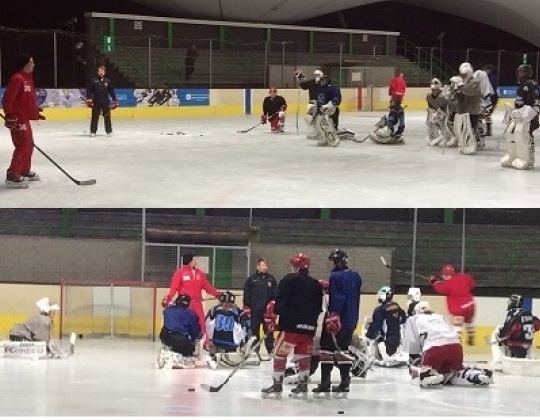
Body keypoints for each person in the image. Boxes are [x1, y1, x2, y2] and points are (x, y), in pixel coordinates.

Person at [261, 253, 323, 400]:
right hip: (308, 330)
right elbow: (318, 308)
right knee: (303, 357)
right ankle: (303, 385)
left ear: (295, 266)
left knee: (279, 355)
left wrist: (275, 319)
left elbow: (279, 302)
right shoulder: (316, 284)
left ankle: (277, 385)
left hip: (290, 328)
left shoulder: (288, 279)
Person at [403, 301, 493, 387]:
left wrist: (413, 362)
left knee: (416, 367)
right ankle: (474, 375)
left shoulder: (413, 319)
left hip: (434, 350)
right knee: (453, 372)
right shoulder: (440, 317)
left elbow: (412, 346)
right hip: (456, 348)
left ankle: (427, 374)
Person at [313, 249, 362, 399]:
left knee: (326, 350)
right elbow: (348, 292)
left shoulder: (335, 276)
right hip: (351, 319)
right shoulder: (356, 276)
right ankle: (345, 382)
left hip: (338, 319)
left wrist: (334, 315)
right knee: (344, 350)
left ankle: (325, 382)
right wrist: (330, 287)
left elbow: (339, 297)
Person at [2, 54, 45, 189]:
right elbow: (8, 99)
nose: (33, 65)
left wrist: (35, 113)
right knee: (22, 145)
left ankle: (24, 170)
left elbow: (26, 100)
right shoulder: (17, 78)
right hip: (17, 119)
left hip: (25, 118)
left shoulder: (28, 79)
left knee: (29, 144)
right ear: (24, 64)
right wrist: (9, 115)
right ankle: (12, 175)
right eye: (31, 62)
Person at [162, 252, 222, 339]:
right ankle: (184, 340)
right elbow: (174, 288)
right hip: (184, 305)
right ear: (189, 261)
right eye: (194, 259)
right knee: (184, 322)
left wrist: (218, 294)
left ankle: (204, 341)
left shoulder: (200, 274)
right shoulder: (180, 273)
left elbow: (207, 287)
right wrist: (168, 298)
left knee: (201, 323)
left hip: (197, 303)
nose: (196, 261)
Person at [501, 63, 540, 170]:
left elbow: (535, 102)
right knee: (512, 133)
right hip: (520, 114)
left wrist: (530, 114)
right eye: (518, 71)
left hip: (527, 115)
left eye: (522, 71)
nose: (519, 73)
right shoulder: (522, 84)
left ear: (528, 72)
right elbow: (520, 101)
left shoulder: (530, 84)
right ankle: (514, 156)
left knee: (525, 135)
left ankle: (528, 159)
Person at [428, 264, 476, 346]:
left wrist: (433, 281)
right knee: (469, 321)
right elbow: (472, 285)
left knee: (457, 324)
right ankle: (471, 336)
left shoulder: (447, 285)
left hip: (459, 308)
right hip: (470, 305)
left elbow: (440, 288)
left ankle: (458, 342)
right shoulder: (464, 277)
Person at [206, 291, 255, 369]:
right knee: (242, 329)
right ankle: (227, 355)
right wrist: (244, 343)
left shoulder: (213, 310)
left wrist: (210, 340)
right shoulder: (240, 313)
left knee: (211, 325)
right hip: (231, 344)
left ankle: (214, 355)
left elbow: (207, 325)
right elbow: (247, 327)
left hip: (216, 342)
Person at [491, 294, 540, 371]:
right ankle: (527, 359)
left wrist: (499, 336)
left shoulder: (513, 314)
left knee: (496, 334)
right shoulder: (528, 313)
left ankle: (498, 362)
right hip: (527, 348)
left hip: (515, 347)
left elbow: (506, 332)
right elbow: (537, 326)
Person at [243, 257, 277, 357]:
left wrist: (273, 307)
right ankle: (254, 351)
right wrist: (247, 307)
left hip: (268, 311)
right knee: (255, 331)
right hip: (255, 310)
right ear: (258, 266)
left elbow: (275, 294)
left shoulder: (271, 279)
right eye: (262, 265)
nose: (264, 267)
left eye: (266, 265)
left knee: (269, 332)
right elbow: (247, 294)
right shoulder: (251, 279)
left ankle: (270, 350)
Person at [365, 286, 407, 366]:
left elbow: (376, 326)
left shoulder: (379, 310)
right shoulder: (396, 306)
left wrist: (368, 335)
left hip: (385, 342)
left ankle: (374, 357)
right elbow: (403, 318)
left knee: (373, 337)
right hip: (397, 340)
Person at [158, 294, 202, 368]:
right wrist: (194, 340)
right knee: (189, 348)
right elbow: (195, 332)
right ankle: (180, 357)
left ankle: (168, 352)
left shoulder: (167, 311)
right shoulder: (192, 314)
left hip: (165, 337)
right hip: (181, 340)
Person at [449, 62, 483, 154]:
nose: (463, 76)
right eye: (462, 74)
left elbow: (470, 91)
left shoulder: (475, 82)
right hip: (461, 110)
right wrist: (453, 89)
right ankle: (464, 144)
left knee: (470, 129)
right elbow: (454, 97)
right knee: (462, 129)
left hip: (472, 110)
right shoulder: (462, 83)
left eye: (464, 74)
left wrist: (460, 85)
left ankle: (474, 144)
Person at [86, 65, 118, 137]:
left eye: (102, 71)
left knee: (107, 117)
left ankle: (109, 131)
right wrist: (89, 99)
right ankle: (93, 131)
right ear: (97, 72)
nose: (101, 73)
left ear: (104, 72)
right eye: (100, 71)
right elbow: (89, 91)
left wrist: (115, 99)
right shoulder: (93, 80)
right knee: (94, 117)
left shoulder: (108, 81)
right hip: (96, 102)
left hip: (105, 102)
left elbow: (111, 91)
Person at [294, 69, 324, 139]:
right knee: (309, 118)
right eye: (316, 75)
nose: (317, 76)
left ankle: (319, 132)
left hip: (321, 104)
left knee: (319, 119)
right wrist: (300, 77)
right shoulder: (312, 82)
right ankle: (312, 132)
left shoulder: (324, 83)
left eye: (318, 75)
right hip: (312, 103)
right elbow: (304, 86)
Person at [314, 75, 342, 146]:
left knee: (327, 124)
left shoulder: (332, 88)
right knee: (319, 125)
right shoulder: (320, 89)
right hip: (321, 111)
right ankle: (324, 139)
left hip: (330, 110)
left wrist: (333, 104)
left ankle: (334, 139)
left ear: (327, 81)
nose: (322, 82)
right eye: (321, 81)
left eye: (324, 81)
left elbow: (336, 97)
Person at [426, 78, 450, 146]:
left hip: (444, 112)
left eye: (435, 89)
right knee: (430, 122)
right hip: (436, 111)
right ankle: (433, 136)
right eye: (432, 89)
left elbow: (447, 105)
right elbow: (431, 105)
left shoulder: (444, 96)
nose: (433, 91)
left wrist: (444, 112)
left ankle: (447, 137)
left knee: (444, 125)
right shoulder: (429, 96)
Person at [482, 65, 499, 136]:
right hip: (492, 97)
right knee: (487, 114)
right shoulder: (490, 77)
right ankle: (488, 130)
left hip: (491, 97)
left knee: (487, 114)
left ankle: (488, 130)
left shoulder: (491, 78)